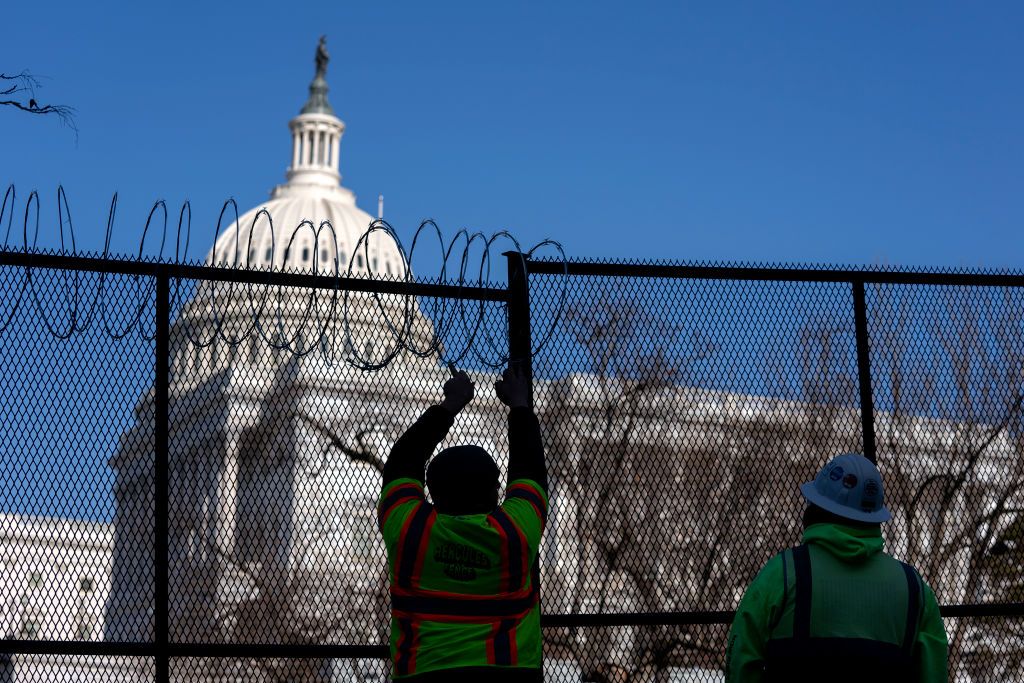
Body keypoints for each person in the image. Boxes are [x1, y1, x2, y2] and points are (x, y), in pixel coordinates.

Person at [377, 364, 548, 682]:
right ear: (495, 491)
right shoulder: (514, 534)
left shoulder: (410, 531)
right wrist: (520, 406)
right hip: (508, 671)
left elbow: (402, 461)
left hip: (425, 671)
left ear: (432, 493)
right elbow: (530, 468)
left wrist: (450, 405)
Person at [726, 453, 948, 682]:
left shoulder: (781, 574)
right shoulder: (915, 589)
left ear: (816, 509)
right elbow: (935, 672)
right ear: (875, 518)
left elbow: (742, 660)